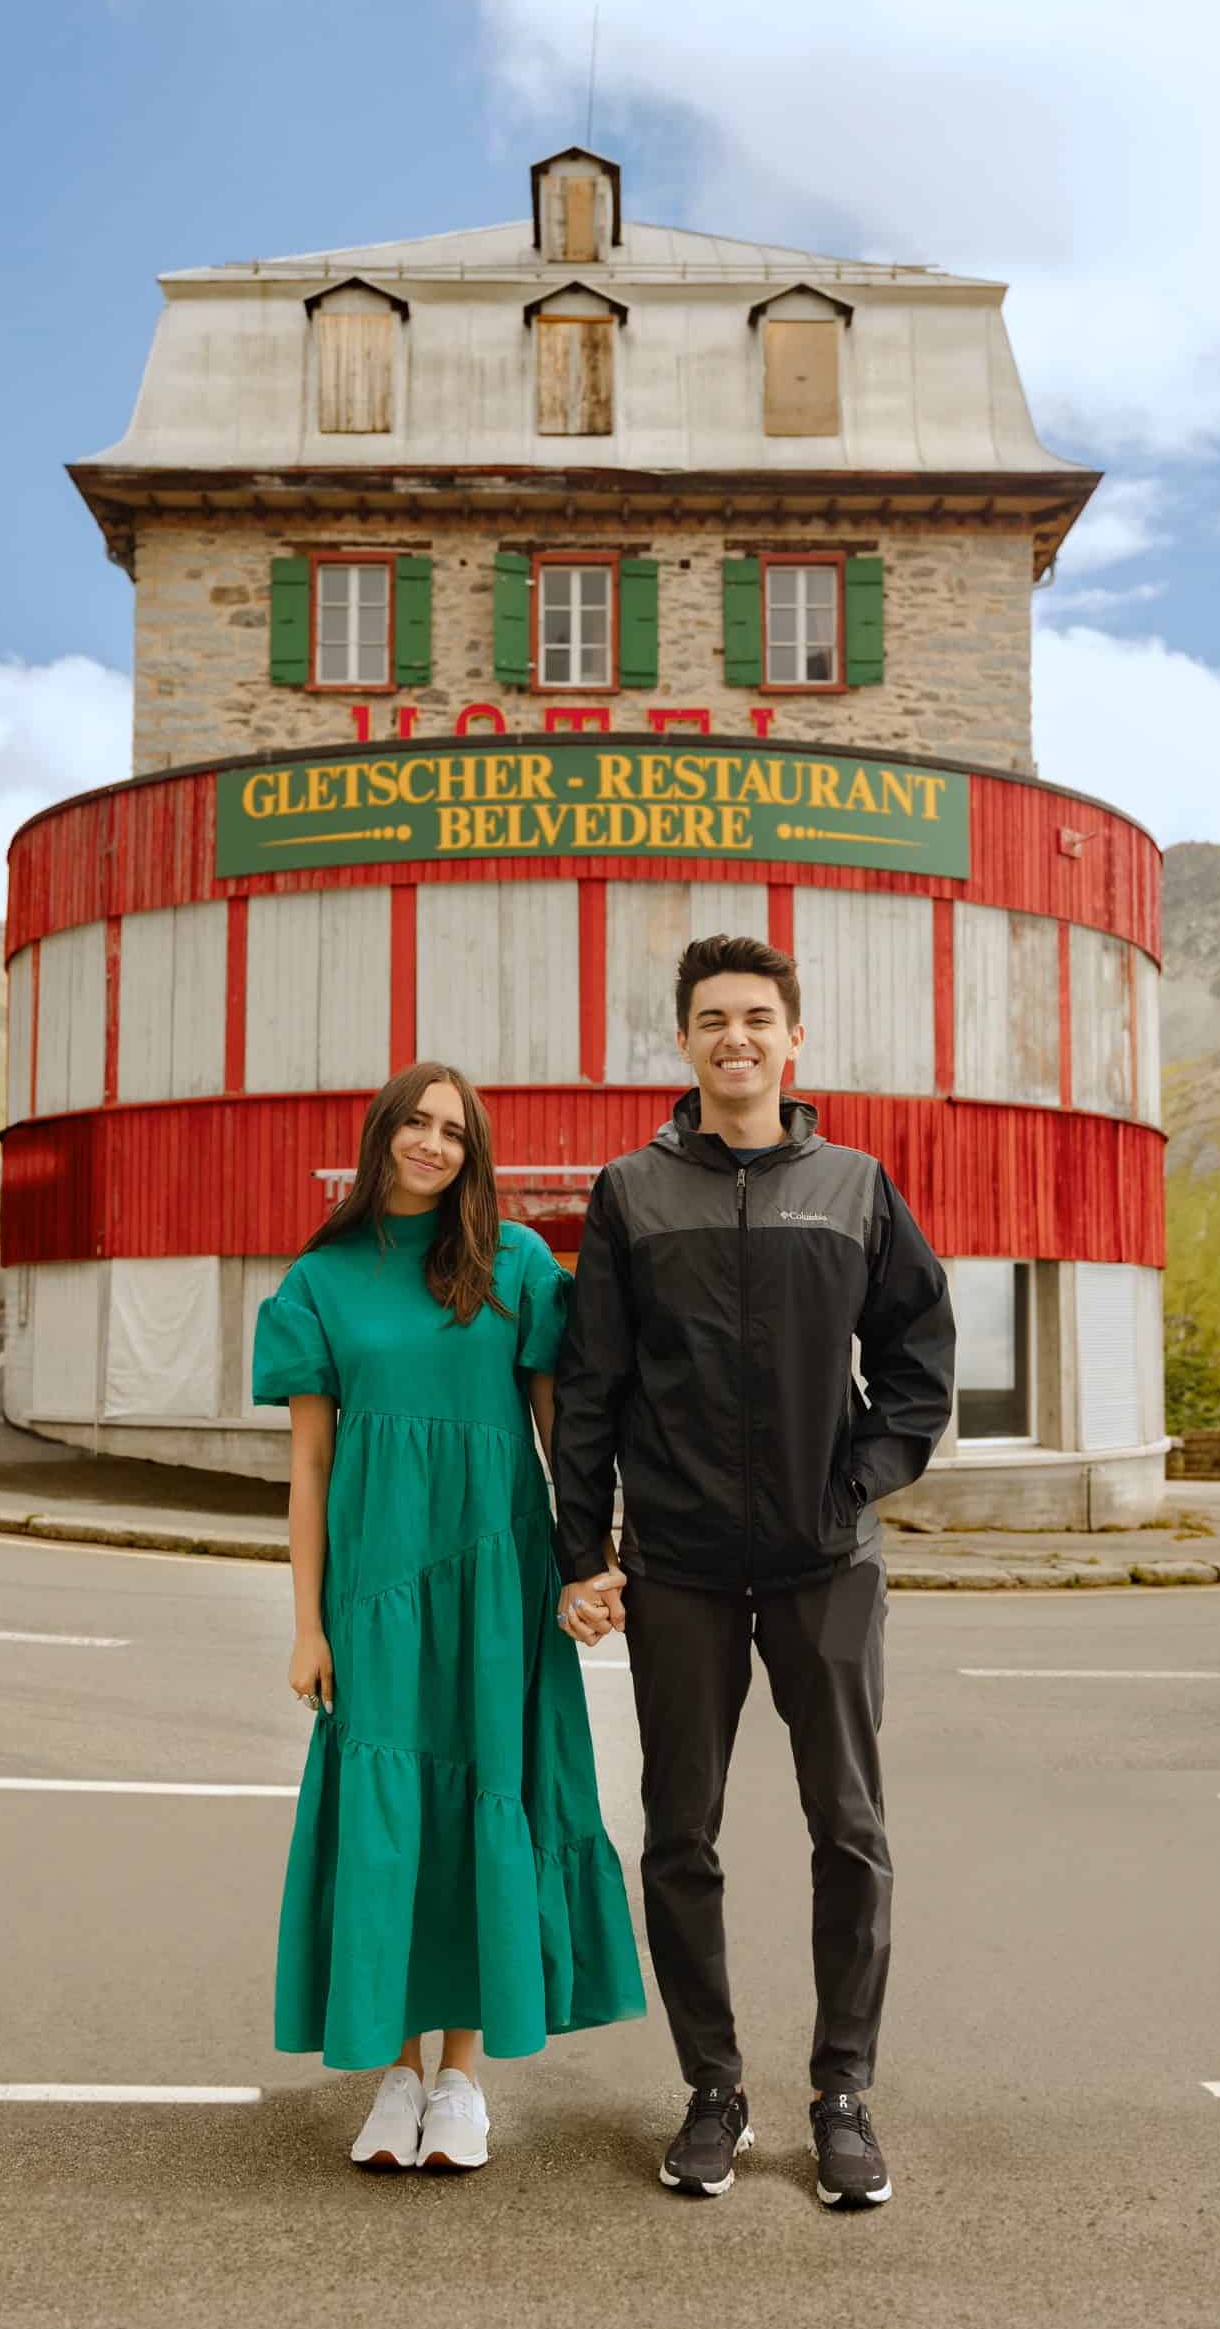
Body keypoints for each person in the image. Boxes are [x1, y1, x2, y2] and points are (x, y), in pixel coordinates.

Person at [550, 934, 955, 2210]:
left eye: (757, 1017)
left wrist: (859, 1476)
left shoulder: (853, 1184)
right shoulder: (631, 1193)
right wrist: (584, 1547)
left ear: (794, 1041)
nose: (736, 1036)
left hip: (822, 1560)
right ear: (683, 1043)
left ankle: (842, 2092)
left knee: (850, 1827)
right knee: (679, 1833)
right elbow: (589, 1387)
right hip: (676, 1565)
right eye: (713, 1018)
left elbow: (917, 1353)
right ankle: (712, 2088)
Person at [251, 1061, 644, 2173]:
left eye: (454, 1131)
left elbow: (565, 1432)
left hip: (496, 1580)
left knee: (488, 1795)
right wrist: (307, 1621)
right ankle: (396, 2071)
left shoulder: (513, 1264)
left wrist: (587, 1563)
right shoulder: (321, 1278)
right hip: (372, 1587)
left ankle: (463, 2073)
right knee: (388, 1825)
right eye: (416, 1123)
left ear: (474, 1153)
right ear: (381, 1133)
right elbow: (310, 1463)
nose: (432, 1143)